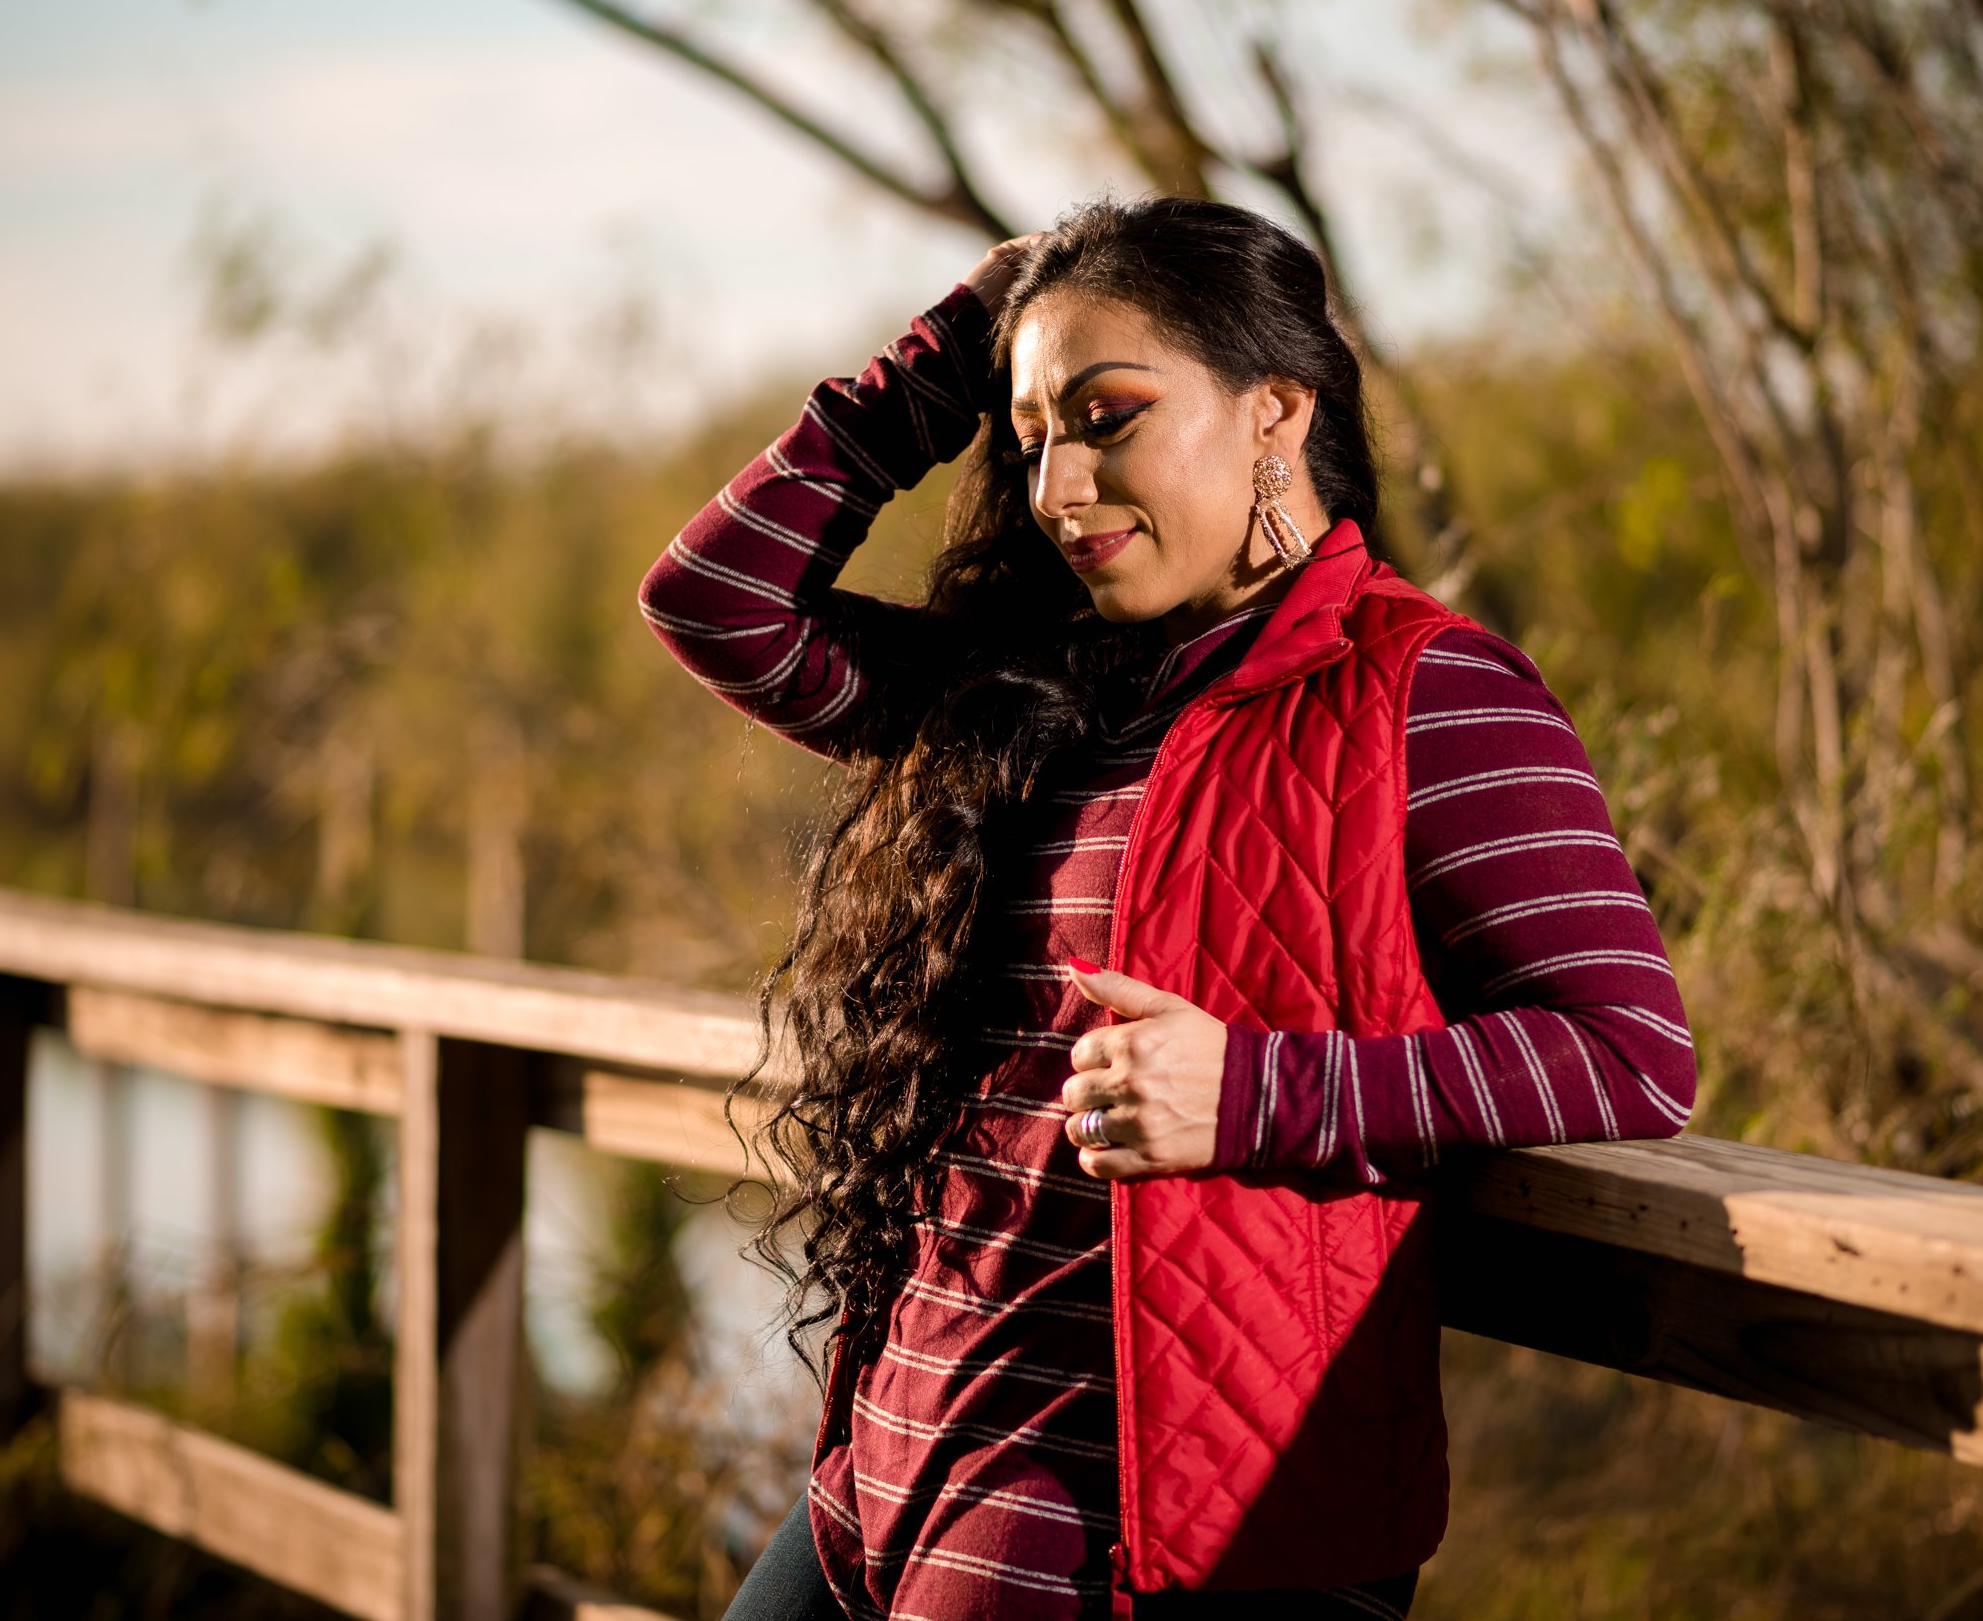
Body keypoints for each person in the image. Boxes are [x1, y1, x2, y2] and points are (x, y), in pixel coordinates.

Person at [638, 196, 1693, 1621]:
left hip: (1136, 1518)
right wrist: (953, 350)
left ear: (1276, 412)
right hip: (886, 1450)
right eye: (1032, 438)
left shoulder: (1430, 691)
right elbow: (714, 596)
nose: (1059, 486)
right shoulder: (1023, 692)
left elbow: (1629, 1053)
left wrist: (1255, 1089)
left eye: (1109, 416)